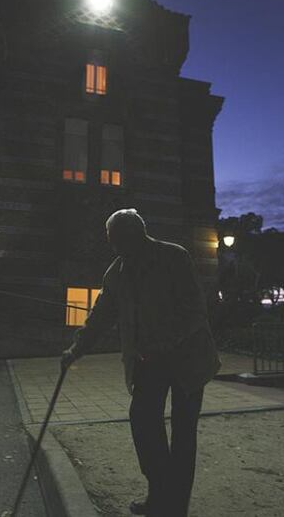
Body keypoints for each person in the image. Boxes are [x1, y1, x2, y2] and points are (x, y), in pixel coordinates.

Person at [61, 208, 221, 517]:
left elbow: (194, 310)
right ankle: (159, 492)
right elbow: (101, 317)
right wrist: (75, 350)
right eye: (111, 239)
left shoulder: (173, 257)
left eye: (115, 238)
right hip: (150, 361)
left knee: (184, 433)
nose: (112, 244)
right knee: (144, 424)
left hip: (188, 358)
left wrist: (166, 342)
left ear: (133, 234)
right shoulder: (117, 273)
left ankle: (175, 507)